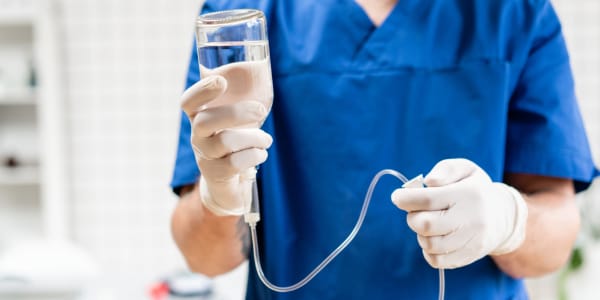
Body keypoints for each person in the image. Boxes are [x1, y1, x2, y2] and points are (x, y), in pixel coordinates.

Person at [170, 0, 599, 299]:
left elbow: (556, 236)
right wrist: (220, 195)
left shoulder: (512, 12)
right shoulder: (242, 17)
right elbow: (202, 256)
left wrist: (508, 219)